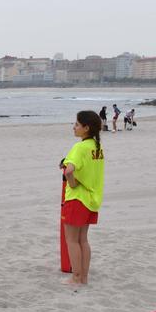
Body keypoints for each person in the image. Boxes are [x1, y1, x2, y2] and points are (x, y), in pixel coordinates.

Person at [60, 110, 105, 287]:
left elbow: (69, 170)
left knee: (72, 240)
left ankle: (76, 277)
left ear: (86, 128)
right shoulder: (97, 147)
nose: (74, 127)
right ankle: (84, 277)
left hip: (77, 198)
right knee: (83, 240)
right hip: (92, 199)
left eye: (77, 124)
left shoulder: (79, 147)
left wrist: (71, 183)